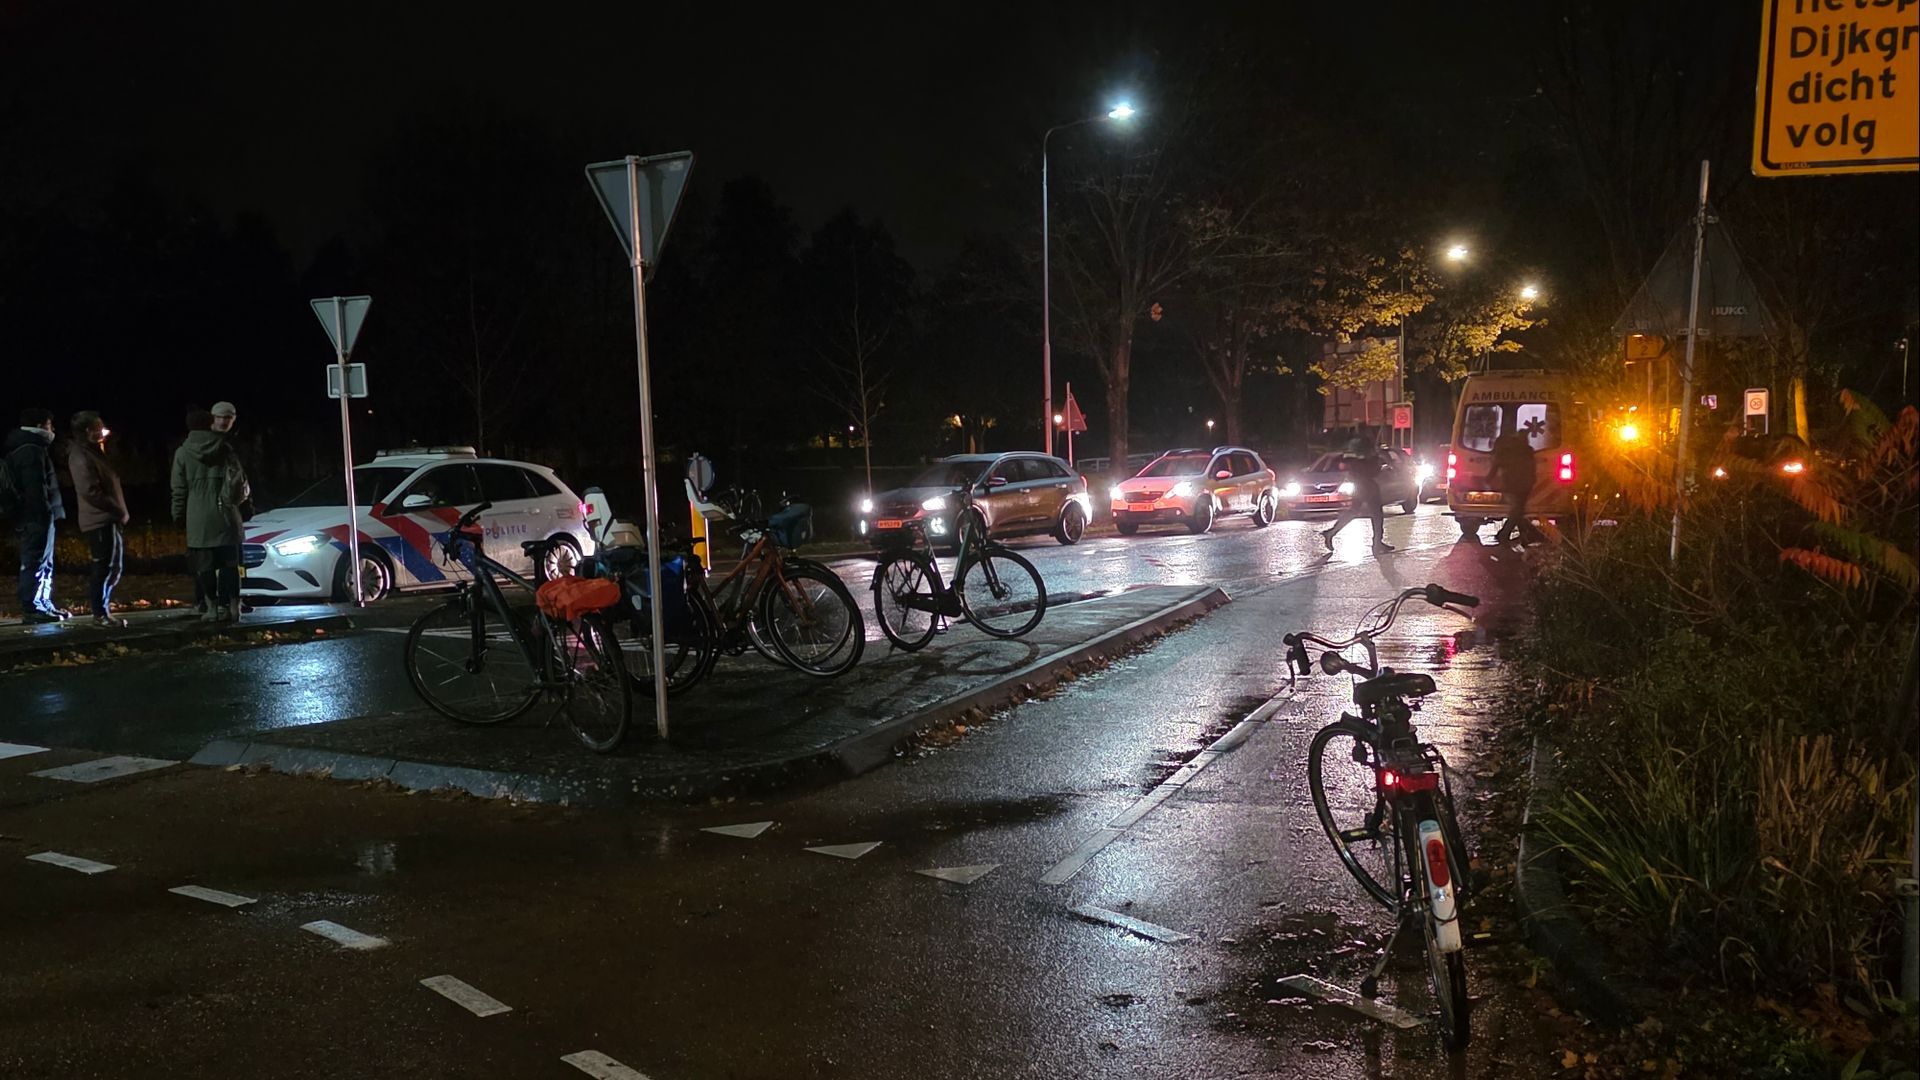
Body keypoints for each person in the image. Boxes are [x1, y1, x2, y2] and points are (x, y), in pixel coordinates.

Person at [171, 403, 250, 622]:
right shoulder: (226, 447)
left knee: (205, 567)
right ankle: (234, 607)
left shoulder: (182, 452)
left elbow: (178, 490)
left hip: (197, 516)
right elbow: (239, 480)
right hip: (226, 513)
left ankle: (211, 608)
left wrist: (178, 515)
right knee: (230, 565)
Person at [67, 411, 130, 627]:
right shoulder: (81, 455)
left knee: (114, 566)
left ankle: (103, 609)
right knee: (104, 566)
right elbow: (90, 490)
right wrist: (117, 509)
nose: (103, 431)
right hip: (100, 519)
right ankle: (100, 613)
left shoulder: (94, 451)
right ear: (87, 431)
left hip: (109, 518)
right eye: (99, 427)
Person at [5, 408, 68, 623]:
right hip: (36, 516)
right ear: (41, 425)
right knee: (35, 559)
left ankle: (42, 602)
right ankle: (32, 607)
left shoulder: (32, 447)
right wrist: (42, 514)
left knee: (44, 561)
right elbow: (35, 488)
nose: (53, 430)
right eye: (50, 425)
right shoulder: (30, 449)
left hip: (39, 515)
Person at [1321, 429, 1394, 554]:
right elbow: (1375, 459)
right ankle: (1377, 543)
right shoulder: (1366, 446)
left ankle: (1331, 532)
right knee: (1377, 514)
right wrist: (1386, 461)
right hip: (1367, 483)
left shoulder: (1351, 447)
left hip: (1358, 481)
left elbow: (1343, 464)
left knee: (1354, 511)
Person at [1488, 428, 1544, 546]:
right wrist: (1533, 479)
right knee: (1517, 511)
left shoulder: (1508, 450)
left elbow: (1497, 464)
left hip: (1509, 484)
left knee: (1518, 510)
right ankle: (1505, 534)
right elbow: (1531, 468)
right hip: (1523, 485)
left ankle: (1526, 535)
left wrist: (1489, 477)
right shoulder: (1528, 450)